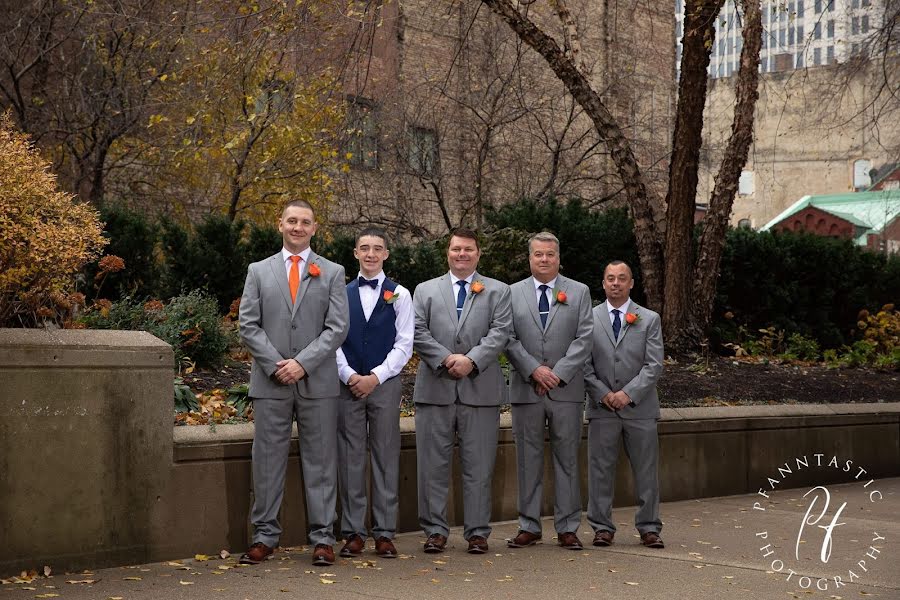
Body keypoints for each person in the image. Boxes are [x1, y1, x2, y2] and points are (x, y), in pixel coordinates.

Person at [237, 200, 349, 567]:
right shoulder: (258, 270)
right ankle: (264, 536)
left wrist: (302, 364)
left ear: (315, 228)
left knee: (321, 462)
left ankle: (322, 538)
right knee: (267, 461)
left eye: (305, 222)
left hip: (317, 382)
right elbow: (248, 325)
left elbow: (337, 328)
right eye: (291, 221)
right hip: (270, 383)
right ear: (280, 224)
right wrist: (276, 365)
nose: (298, 227)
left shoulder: (331, 272)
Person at [412, 228, 512, 555]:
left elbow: (501, 332)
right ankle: (435, 531)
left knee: (479, 466)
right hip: (435, 390)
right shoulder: (425, 291)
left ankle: (478, 532)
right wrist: (445, 358)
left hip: (480, 390)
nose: (462, 254)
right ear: (448, 252)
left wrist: (472, 360)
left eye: (468, 249)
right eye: (456, 249)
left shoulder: (498, 291)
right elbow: (416, 330)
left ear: (478, 253)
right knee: (432, 466)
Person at [505, 232, 593, 551]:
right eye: (538, 254)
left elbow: (585, 338)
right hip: (527, 389)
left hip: (565, 391)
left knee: (567, 459)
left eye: (550, 254)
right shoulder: (511, 293)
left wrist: (557, 374)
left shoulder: (579, 292)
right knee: (527, 460)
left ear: (559, 257)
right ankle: (529, 526)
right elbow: (507, 337)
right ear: (530, 258)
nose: (544, 259)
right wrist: (534, 370)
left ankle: (568, 527)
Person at [334, 227, 414, 559]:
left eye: (377, 248)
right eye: (364, 248)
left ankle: (384, 532)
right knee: (350, 458)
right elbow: (332, 338)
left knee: (385, 456)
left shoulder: (401, 294)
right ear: (355, 253)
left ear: (386, 254)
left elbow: (405, 343)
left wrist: (376, 377)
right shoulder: (338, 292)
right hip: (347, 384)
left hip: (384, 384)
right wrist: (350, 375)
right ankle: (353, 531)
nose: (370, 254)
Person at [585, 260, 665, 549]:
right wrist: (604, 393)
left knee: (646, 470)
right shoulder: (588, 318)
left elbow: (654, 365)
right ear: (603, 283)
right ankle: (601, 527)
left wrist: (628, 394)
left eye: (622, 278)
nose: (616, 283)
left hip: (639, 409)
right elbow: (583, 363)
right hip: (602, 408)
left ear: (631, 283)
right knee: (599, 470)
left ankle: (649, 527)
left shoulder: (649, 318)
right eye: (610, 278)